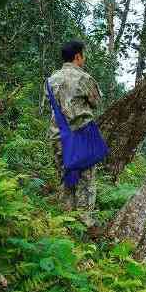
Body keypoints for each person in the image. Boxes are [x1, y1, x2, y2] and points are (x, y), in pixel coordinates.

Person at [47, 40, 102, 227]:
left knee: (65, 178)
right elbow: (96, 102)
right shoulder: (83, 78)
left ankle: (65, 223)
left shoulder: (51, 80)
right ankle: (84, 224)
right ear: (78, 56)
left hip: (57, 136)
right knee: (85, 181)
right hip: (81, 137)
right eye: (83, 55)